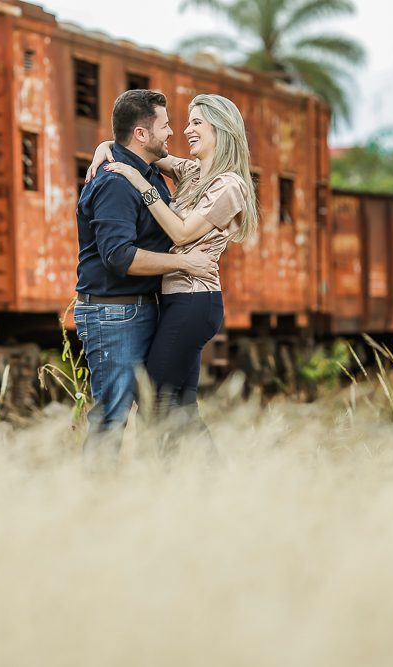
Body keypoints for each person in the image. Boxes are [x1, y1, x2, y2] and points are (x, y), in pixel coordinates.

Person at [85, 93, 259, 446]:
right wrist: (105, 145)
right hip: (177, 299)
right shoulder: (193, 172)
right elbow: (137, 145)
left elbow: (180, 233)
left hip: (196, 301)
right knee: (181, 403)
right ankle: (195, 483)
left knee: (156, 400)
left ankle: (197, 476)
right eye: (185, 122)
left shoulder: (228, 185)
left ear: (221, 130)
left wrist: (141, 183)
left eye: (196, 122)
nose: (184, 129)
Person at [75, 89, 218, 468]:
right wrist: (184, 263)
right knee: (111, 417)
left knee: (164, 408)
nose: (172, 132)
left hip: (145, 309)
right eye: (165, 125)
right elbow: (118, 257)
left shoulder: (149, 170)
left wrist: (107, 142)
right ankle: (91, 506)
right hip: (113, 315)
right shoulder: (115, 183)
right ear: (141, 134)